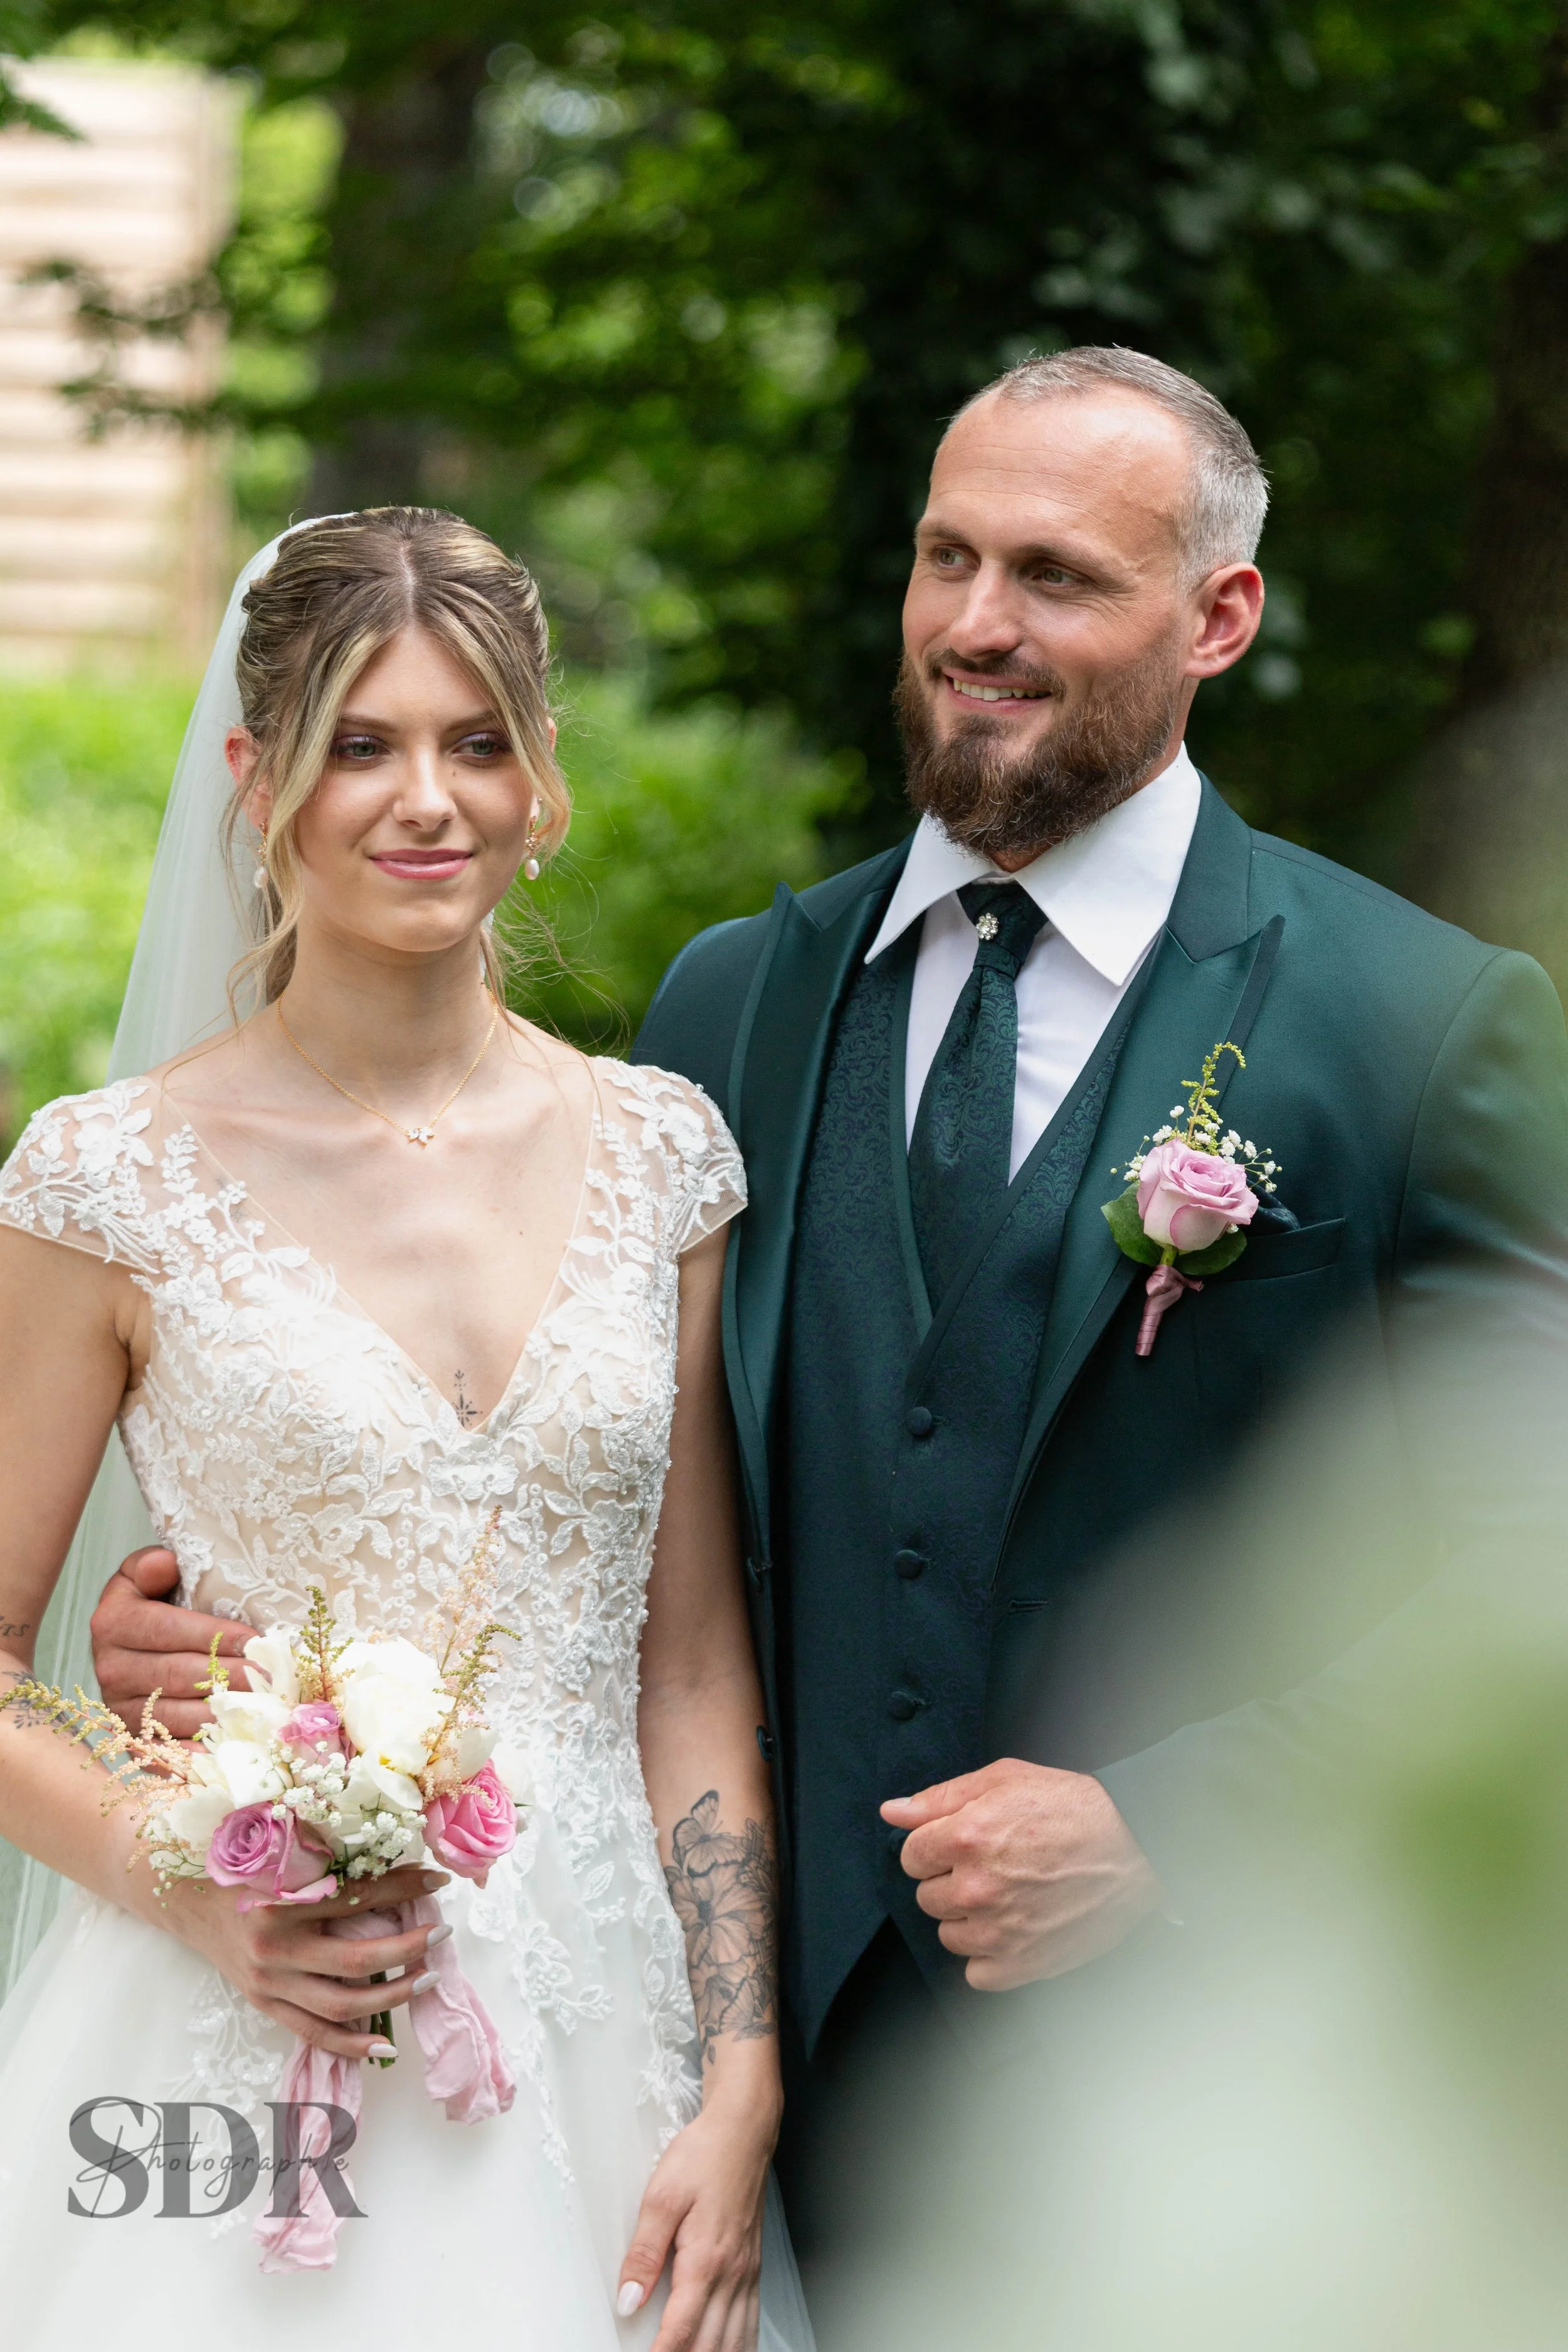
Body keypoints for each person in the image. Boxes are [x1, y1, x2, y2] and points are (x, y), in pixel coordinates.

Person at [92, 351, 1568, 2320]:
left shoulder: (1416, 1021)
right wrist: (227, 1625)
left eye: (1052, 574)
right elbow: (564, 1472)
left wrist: (1172, 1821)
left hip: (1176, 2091)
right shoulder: (729, 1014)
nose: (975, 624)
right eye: (944, 557)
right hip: (706, 2083)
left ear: (1216, 616)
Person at [0, 509, 812, 2350]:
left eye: (474, 743)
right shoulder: (105, 1179)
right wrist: (196, 1893)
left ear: (542, 785)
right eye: (360, 743)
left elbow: (684, 1660)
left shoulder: (663, 1152)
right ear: (254, 777)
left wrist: (739, 2073)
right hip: (236, 2046)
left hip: (613, 2036)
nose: (424, 799)